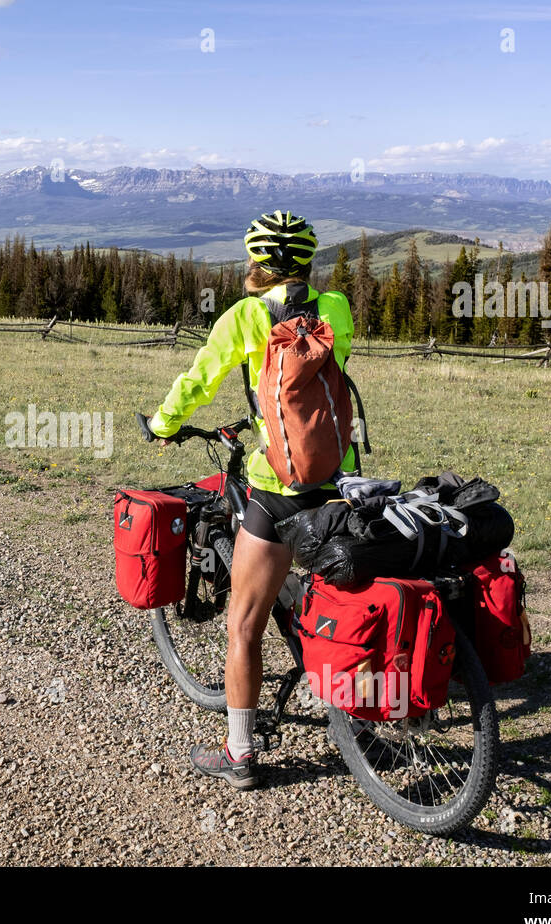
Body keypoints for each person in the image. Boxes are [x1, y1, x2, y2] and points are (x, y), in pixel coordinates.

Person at [143, 211, 355, 790]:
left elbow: (198, 381)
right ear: (308, 263)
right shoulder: (336, 311)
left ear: (259, 263)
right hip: (340, 478)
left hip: (279, 488)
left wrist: (162, 426)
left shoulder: (245, 317)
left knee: (243, 625)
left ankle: (239, 754)